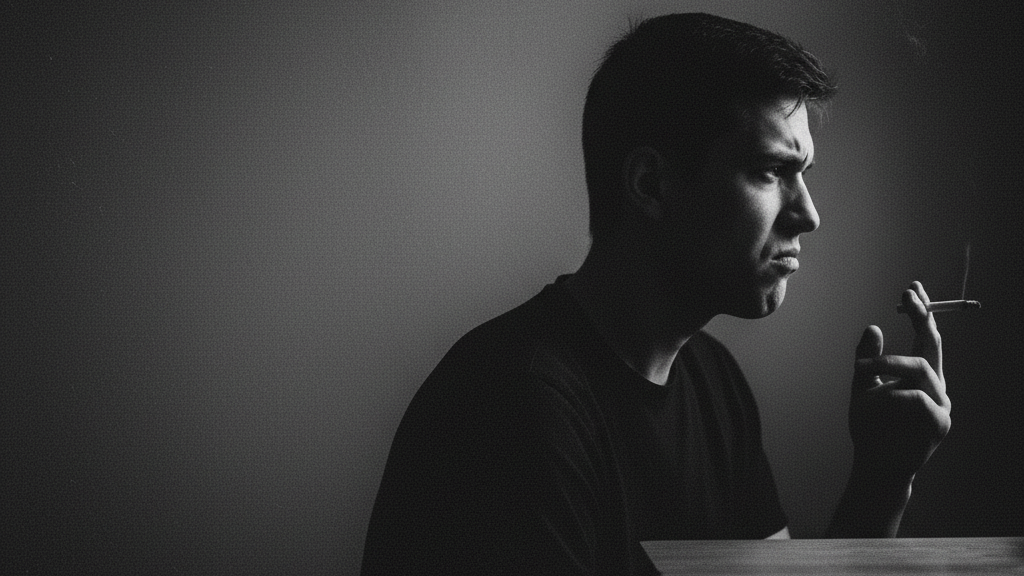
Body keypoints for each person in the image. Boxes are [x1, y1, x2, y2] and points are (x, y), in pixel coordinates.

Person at [361, 13, 951, 576]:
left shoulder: (715, 383)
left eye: (805, 173)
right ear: (651, 183)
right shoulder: (509, 413)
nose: (809, 215)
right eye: (772, 171)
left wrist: (883, 478)